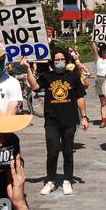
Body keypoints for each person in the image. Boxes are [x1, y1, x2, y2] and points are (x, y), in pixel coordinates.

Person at [37, 47, 89, 196]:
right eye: (56, 60)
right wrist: (28, 69)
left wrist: (84, 117)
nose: (59, 62)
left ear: (66, 61)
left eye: (62, 60)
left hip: (69, 119)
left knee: (67, 152)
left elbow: (80, 97)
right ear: (52, 62)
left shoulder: (73, 76)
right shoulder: (47, 76)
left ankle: (67, 179)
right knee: (52, 152)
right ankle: (50, 180)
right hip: (52, 120)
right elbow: (35, 87)